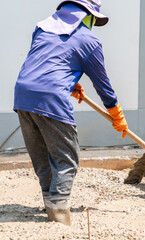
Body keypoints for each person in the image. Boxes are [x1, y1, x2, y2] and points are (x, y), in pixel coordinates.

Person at [13, 0, 128, 225]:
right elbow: (102, 84)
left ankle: (50, 205)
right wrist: (116, 113)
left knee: (42, 157)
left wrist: (70, 81)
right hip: (51, 98)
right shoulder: (89, 40)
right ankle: (59, 215)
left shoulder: (42, 28)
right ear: (87, 16)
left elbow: (45, 63)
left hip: (23, 96)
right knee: (67, 158)